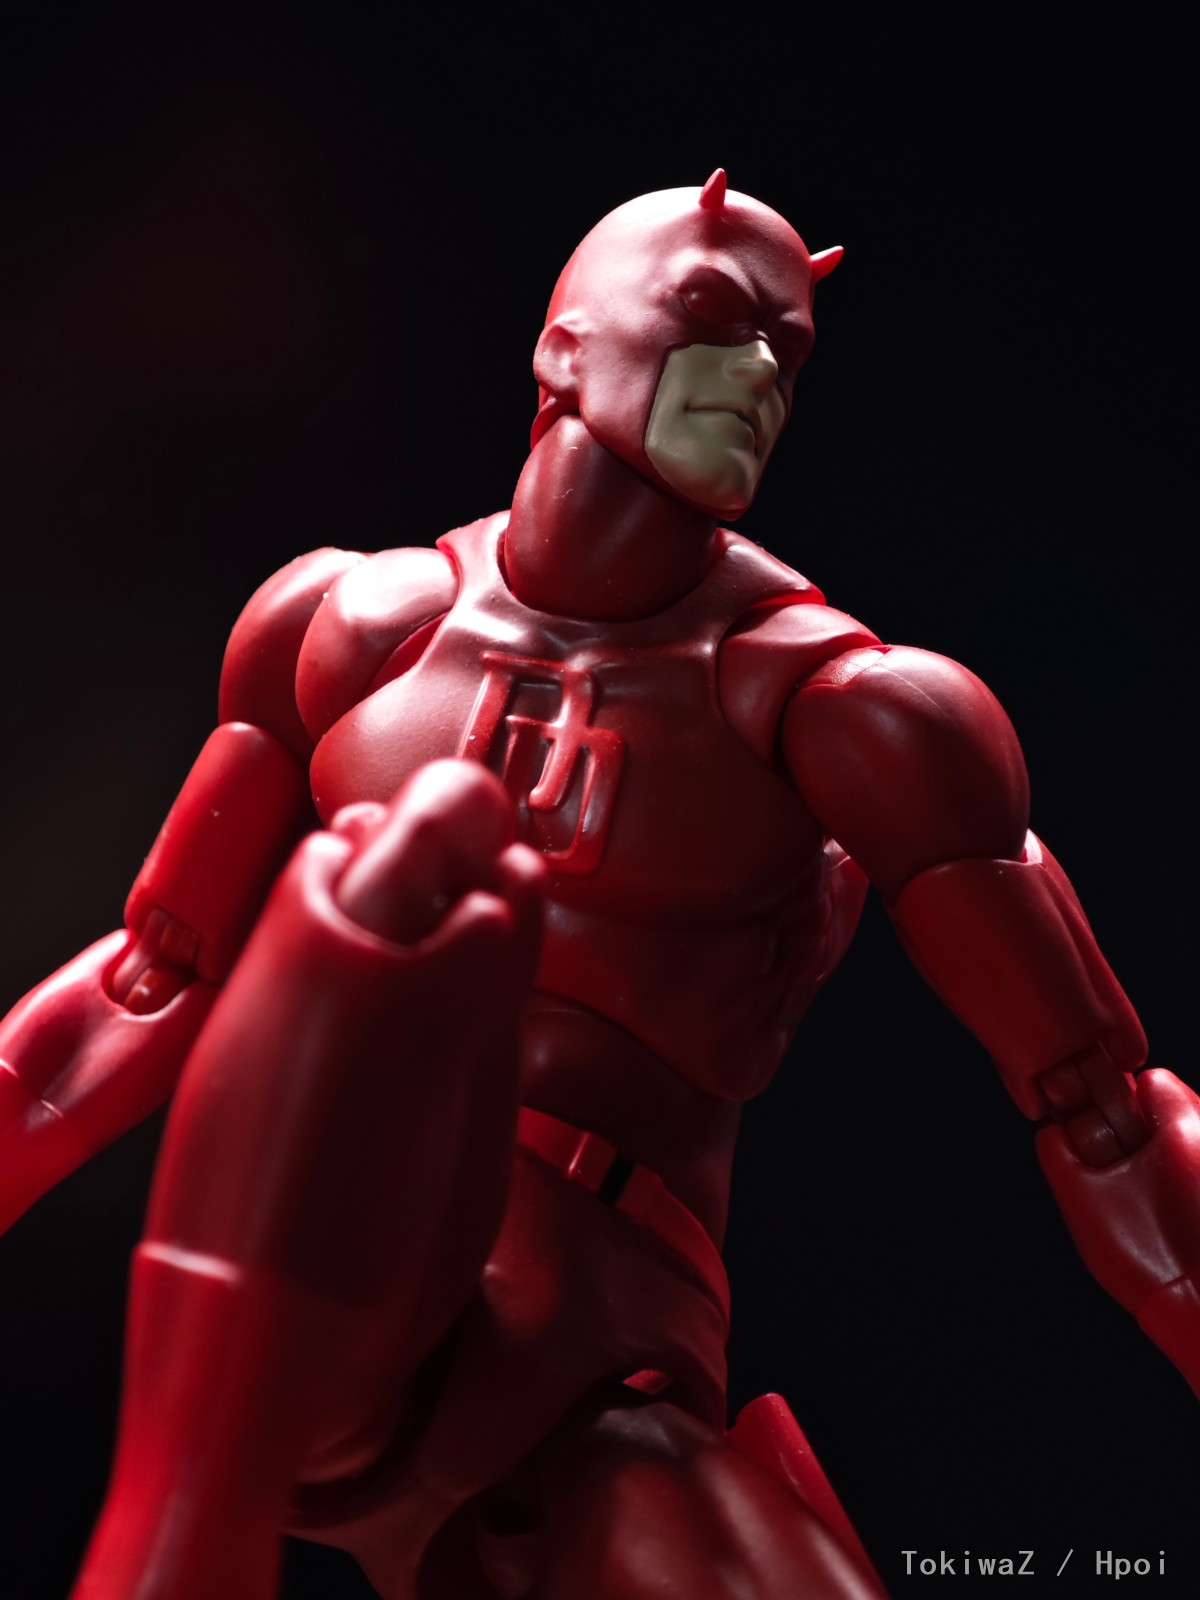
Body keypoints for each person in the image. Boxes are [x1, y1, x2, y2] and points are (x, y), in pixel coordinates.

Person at [1, 173, 1196, 1600]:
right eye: (713, 318)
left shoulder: (843, 709)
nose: (756, 374)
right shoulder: (351, 626)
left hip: (601, 1353)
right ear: (565, 348)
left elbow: (1104, 1108)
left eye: (787, 349)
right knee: (394, 907)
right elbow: (153, 975)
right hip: (335, 1263)